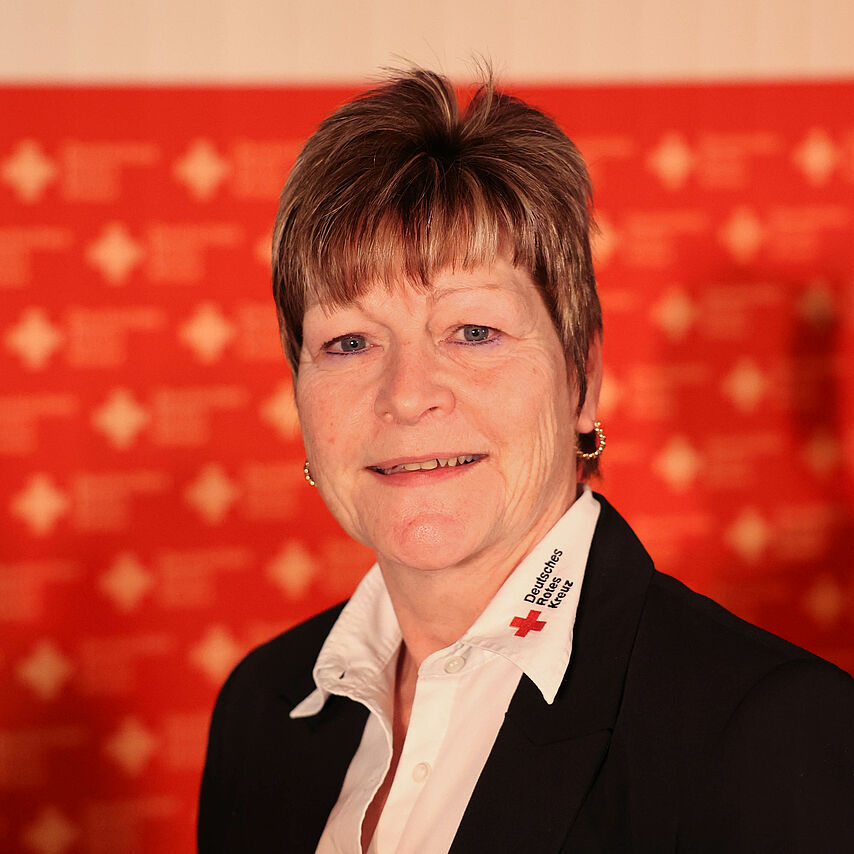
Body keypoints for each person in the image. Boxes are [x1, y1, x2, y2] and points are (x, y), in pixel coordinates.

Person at [197, 68, 854, 853]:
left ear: (581, 377)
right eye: (348, 342)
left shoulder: (766, 730)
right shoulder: (261, 712)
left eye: (473, 331)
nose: (406, 395)